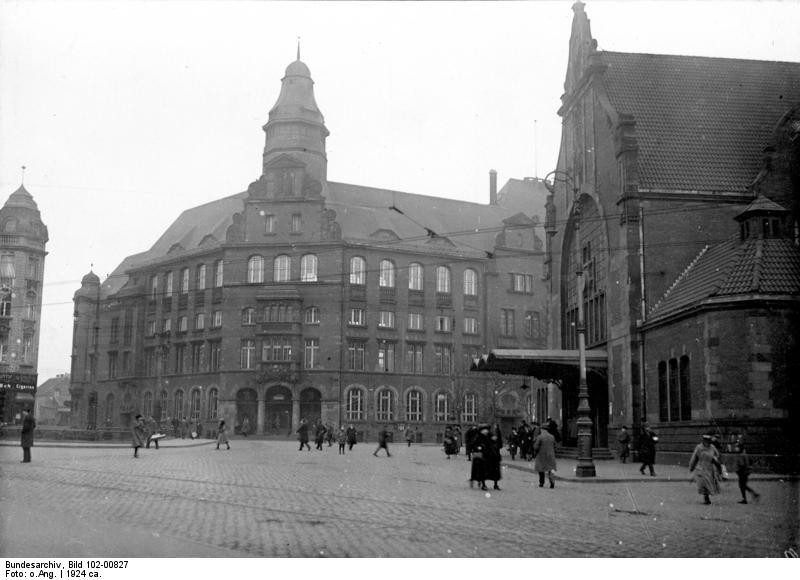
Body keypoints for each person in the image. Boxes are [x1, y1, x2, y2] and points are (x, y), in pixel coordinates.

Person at [689, 434, 721, 505]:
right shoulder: (699, 447)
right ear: (703, 440)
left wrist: (716, 462)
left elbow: (717, 455)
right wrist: (691, 467)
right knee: (703, 483)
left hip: (709, 468)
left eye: (708, 441)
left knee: (709, 483)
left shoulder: (712, 447)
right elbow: (694, 458)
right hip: (701, 468)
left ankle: (707, 497)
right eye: (705, 440)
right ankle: (706, 498)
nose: (706, 442)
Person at [533, 423, 557, 488]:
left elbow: (536, 447)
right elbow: (555, 446)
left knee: (541, 469)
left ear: (542, 429)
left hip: (541, 455)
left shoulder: (540, 437)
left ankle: (541, 482)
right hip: (551, 455)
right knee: (551, 469)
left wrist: (535, 449)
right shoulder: (552, 436)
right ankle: (552, 482)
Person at [469, 425, 491, 490]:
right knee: (479, 469)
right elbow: (473, 445)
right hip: (478, 456)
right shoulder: (477, 437)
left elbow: (490, 445)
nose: (486, 432)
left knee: (484, 470)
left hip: (485, 456)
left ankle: (482, 482)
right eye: (484, 430)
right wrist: (477, 448)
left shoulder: (487, 437)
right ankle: (480, 482)